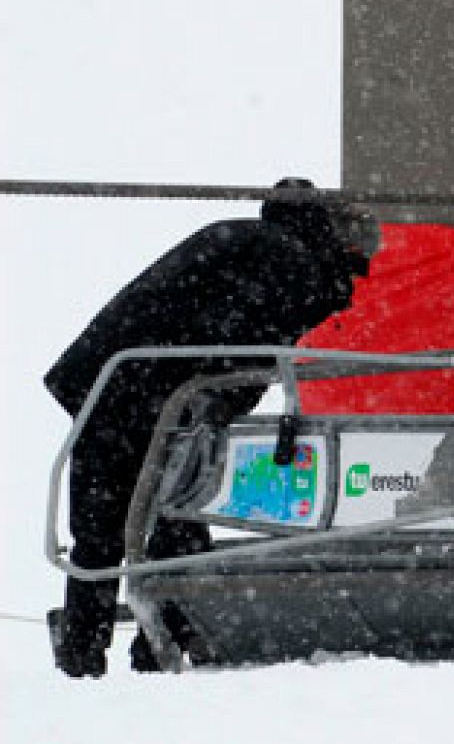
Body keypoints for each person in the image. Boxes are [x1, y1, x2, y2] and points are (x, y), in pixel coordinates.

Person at [45, 178, 379, 677]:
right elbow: (246, 342)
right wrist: (222, 403)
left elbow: (212, 324)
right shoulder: (289, 262)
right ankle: (166, 639)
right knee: (169, 512)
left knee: (114, 522)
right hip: (148, 392)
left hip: (112, 380)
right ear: (324, 231)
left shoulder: (244, 240)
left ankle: (93, 647)